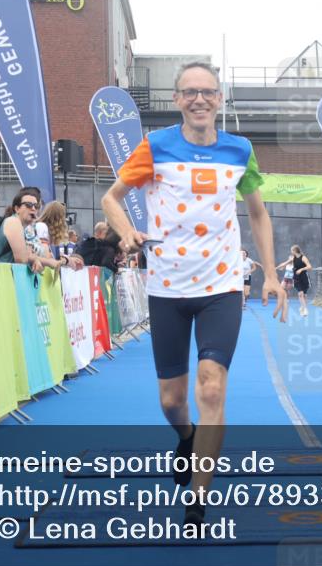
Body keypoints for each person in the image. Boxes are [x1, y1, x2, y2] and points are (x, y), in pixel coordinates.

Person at [101, 61, 286, 526]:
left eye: (207, 92)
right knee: (171, 400)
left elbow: (259, 214)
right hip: (167, 287)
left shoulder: (240, 150)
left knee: (212, 384)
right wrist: (125, 232)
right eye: (189, 92)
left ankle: (198, 498)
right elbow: (111, 198)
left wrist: (269, 273)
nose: (199, 99)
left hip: (221, 286)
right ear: (178, 99)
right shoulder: (156, 145)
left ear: (220, 99)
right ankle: (185, 437)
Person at [290, 244, 312, 316]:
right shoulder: (293, 258)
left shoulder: (303, 258)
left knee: (304, 295)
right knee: (300, 293)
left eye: (292, 250)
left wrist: (301, 269)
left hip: (304, 278)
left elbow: (309, 267)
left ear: (295, 251)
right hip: (296, 278)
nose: (291, 252)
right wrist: (277, 267)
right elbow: (286, 263)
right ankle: (305, 309)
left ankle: (302, 307)